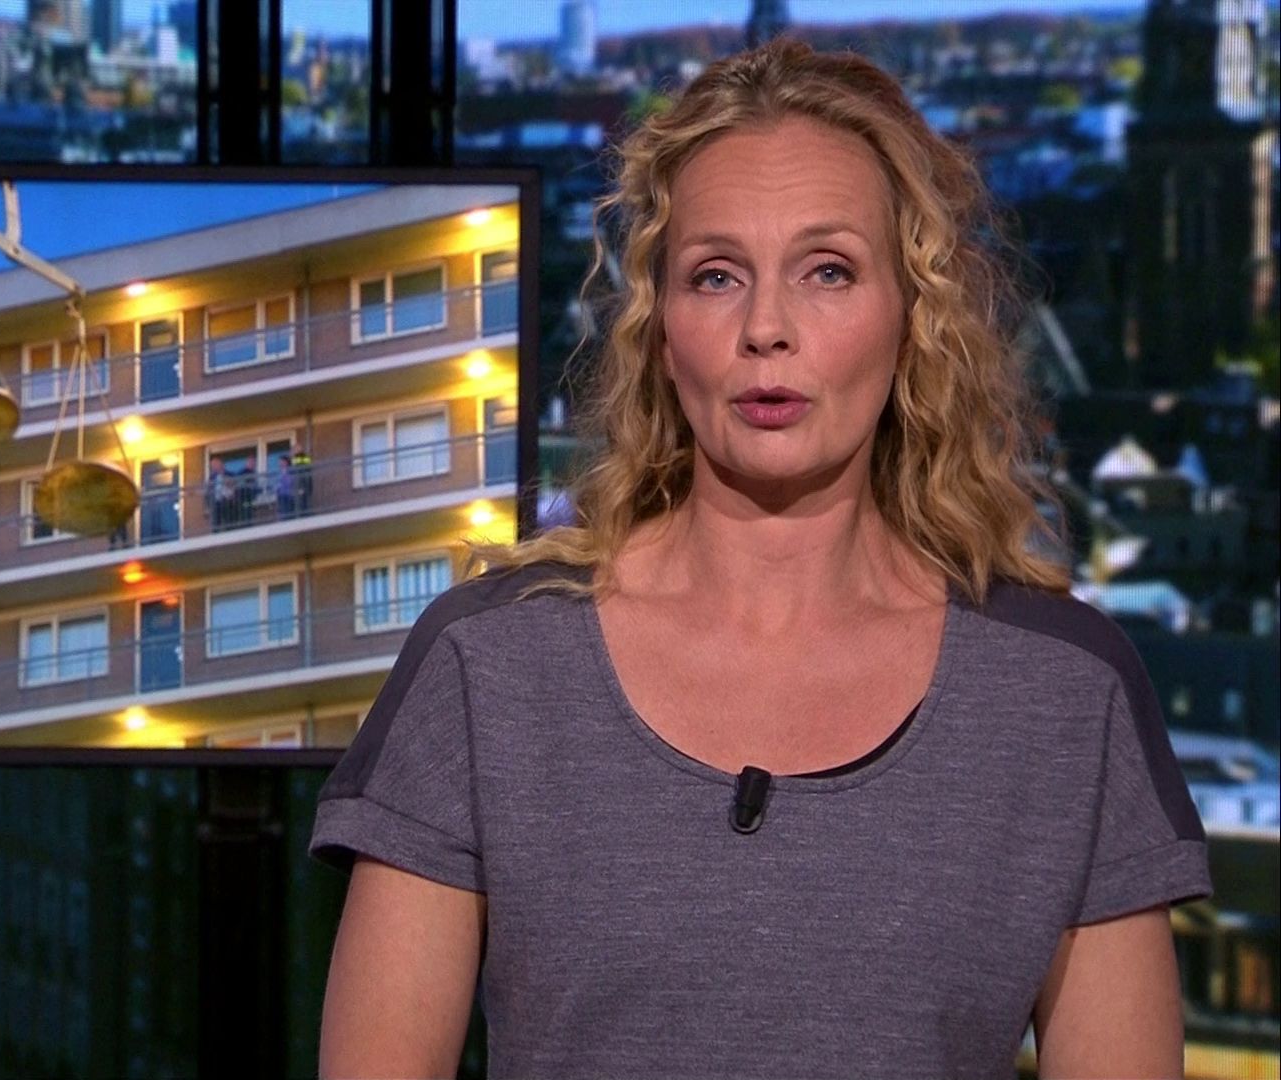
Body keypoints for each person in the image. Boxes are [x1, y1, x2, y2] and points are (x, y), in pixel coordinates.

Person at [308, 40, 1209, 1080]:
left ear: (913, 318)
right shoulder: (488, 667)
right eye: (716, 276)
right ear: (660, 331)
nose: (766, 329)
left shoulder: (1065, 695)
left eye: (828, 271)